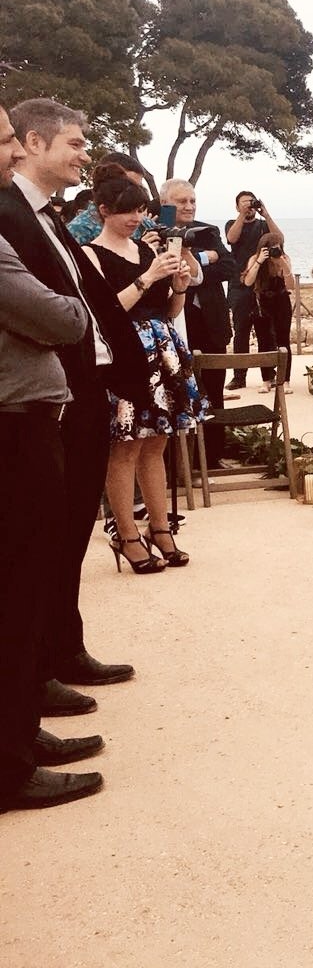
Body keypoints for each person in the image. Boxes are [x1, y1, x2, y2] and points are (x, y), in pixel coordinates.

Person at [0, 99, 146, 715]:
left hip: (83, 388)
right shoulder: (11, 214)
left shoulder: (51, 217)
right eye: (77, 145)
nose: (87, 155)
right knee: (47, 539)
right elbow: (49, 310)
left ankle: (63, 647)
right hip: (49, 392)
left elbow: (88, 300)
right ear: (35, 144)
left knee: (68, 532)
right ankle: (39, 669)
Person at [0, 104, 107, 812]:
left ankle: (21, 731)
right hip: (15, 420)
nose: (9, 152)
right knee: (18, 587)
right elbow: (60, 313)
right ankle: (11, 763)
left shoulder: (42, 217)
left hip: (38, 407)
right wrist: (65, 312)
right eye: (4, 139)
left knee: (33, 579)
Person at [85, 178, 206, 573]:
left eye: (140, 210)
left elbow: (168, 311)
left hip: (162, 349)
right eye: (126, 211)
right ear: (103, 210)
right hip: (124, 354)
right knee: (125, 446)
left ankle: (159, 528)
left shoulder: (145, 249)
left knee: (156, 444)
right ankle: (125, 533)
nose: (135, 218)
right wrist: (150, 276)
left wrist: (180, 288)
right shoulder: (92, 254)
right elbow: (106, 312)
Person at [160, 179, 233, 462]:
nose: (189, 206)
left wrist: (196, 264)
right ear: (166, 204)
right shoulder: (160, 227)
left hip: (211, 321)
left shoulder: (207, 230)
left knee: (213, 390)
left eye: (192, 200)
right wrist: (207, 257)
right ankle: (175, 460)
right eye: (182, 202)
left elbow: (229, 266)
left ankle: (213, 456)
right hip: (179, 319)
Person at [224, 190, 281, 389]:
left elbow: (279, 239)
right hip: (239, 286)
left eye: (251, 201)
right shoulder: (232, 223)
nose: (248, 205)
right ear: (237, 206)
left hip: (263, 286)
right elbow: (232, 239)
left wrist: (266, 214)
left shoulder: (263, 225)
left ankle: (269, 374)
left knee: (266, 332)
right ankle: (239, 376)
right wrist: (242, 214)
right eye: (244, 202)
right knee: (241, 331)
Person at [241, 231, 296, 392]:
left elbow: (291, 285)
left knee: (283, 341)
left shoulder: (284, 259)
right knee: (263, 341)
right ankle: (266, 379)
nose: (274, 251)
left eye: (277, 248)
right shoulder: (255, 259)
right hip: (261, 302)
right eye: (271, 249)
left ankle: (285, 380)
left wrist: (282, 263)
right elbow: (248, 282)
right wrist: (259, 261)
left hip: (281, 300)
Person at [65, 154, 150, 245]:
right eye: (128, 184)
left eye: (138, 187)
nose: (134, 192)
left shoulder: (142, 223)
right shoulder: (79, 229)